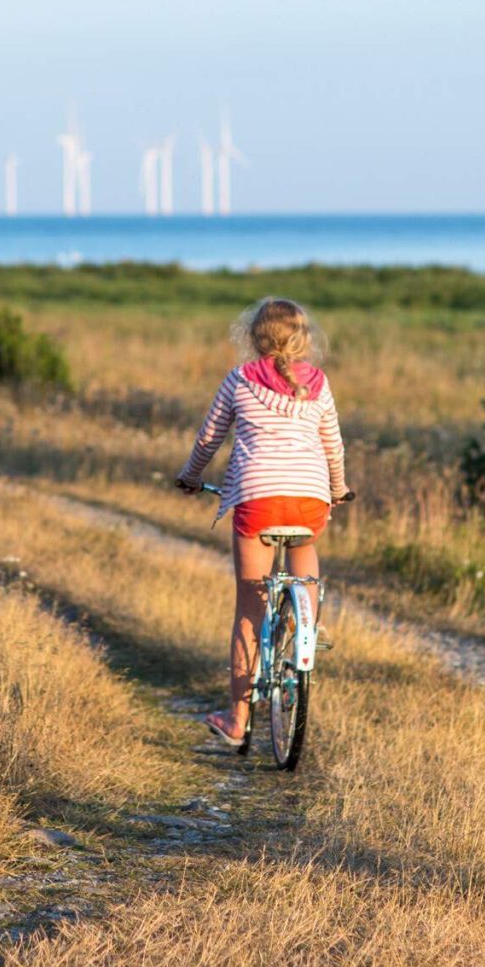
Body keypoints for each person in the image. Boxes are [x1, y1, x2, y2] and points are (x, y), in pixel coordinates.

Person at [173, 297, 350, 748]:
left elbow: (209, 437)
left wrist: (191, 477)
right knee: (304, 548)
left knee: (250, 609)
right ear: (303, 339)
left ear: (255, 338)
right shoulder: (319, 383)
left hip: (257, 502)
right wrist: (339, 489)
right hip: (310, 501)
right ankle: (307, 623)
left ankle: (237, 718)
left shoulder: (239, 380)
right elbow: (333, 446)